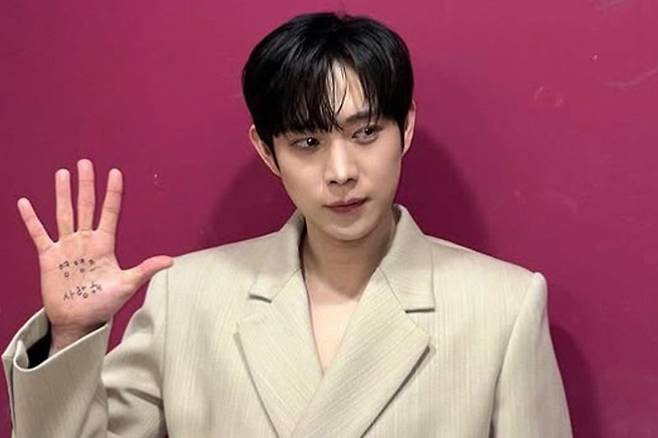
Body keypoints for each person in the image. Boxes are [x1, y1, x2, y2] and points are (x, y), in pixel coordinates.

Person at [2, 11, 573, 438]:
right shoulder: (186, 298)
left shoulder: (503, 307)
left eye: (365, 133)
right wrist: (71, 335)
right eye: (307, 142)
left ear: (406, 127)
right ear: (267, 150)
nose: (341, 172)